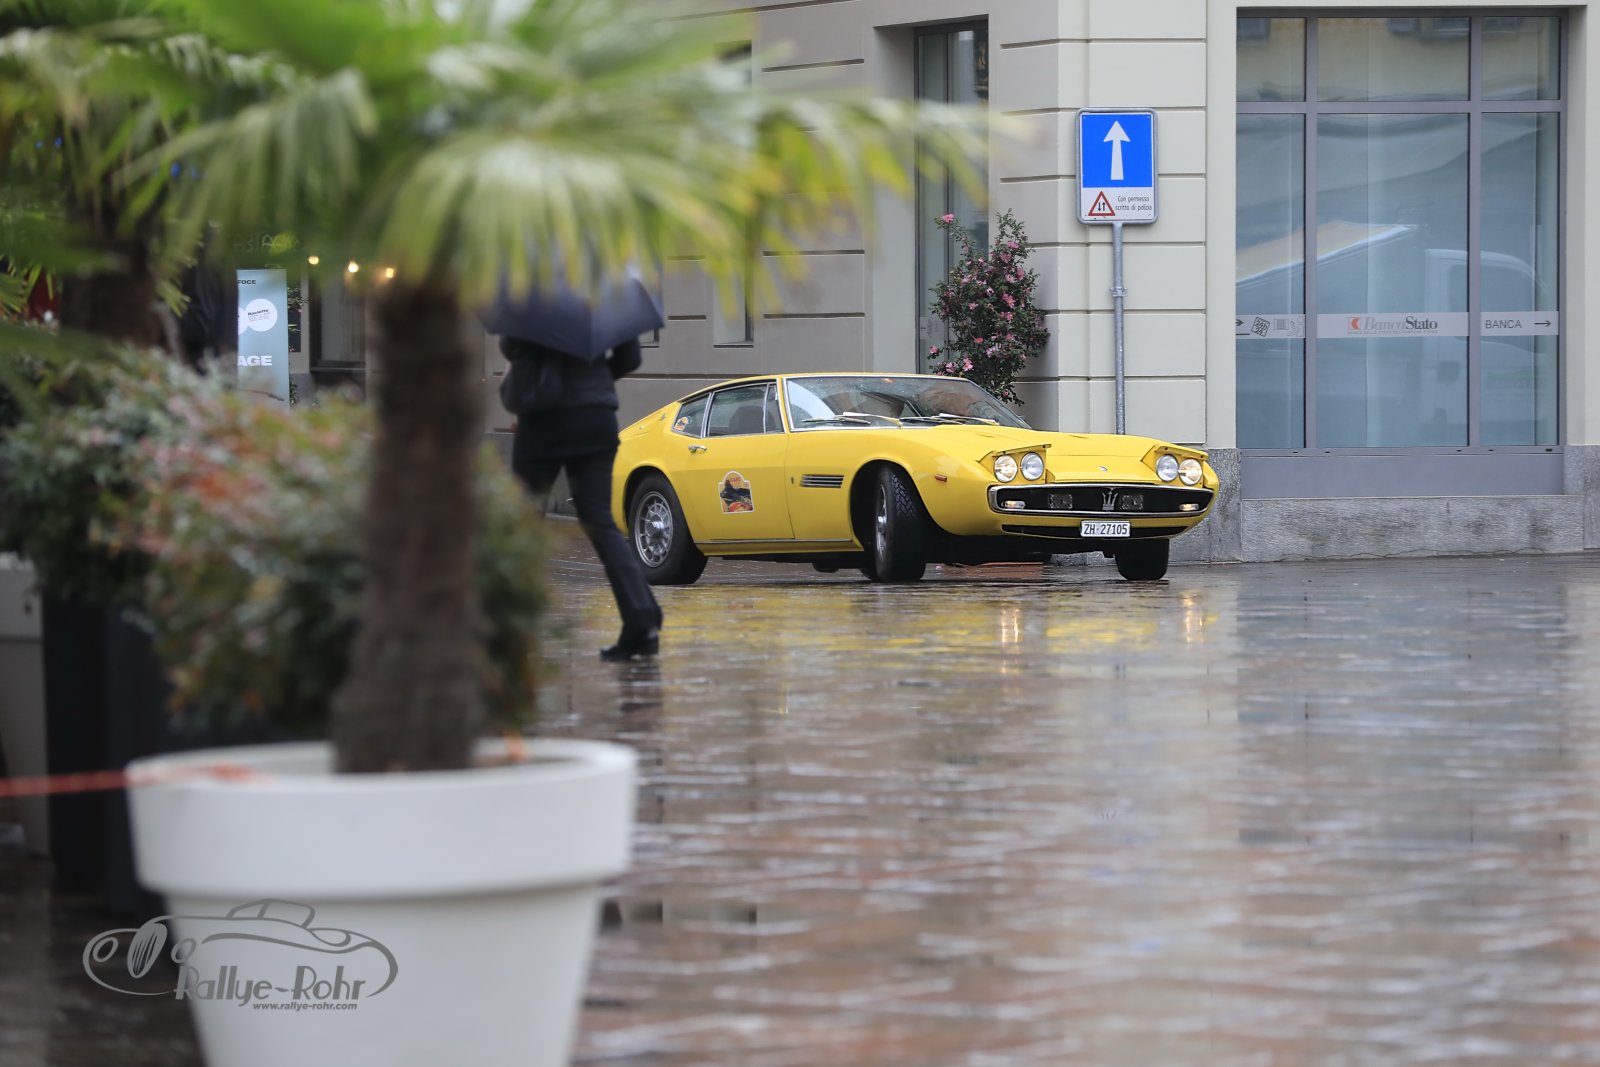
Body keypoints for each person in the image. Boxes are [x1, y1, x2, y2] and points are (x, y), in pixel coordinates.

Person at [504, 334, 662, 661]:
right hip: (595, 416)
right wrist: (595, 381)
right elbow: (630, 357)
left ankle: (511, 630)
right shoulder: (602, 301)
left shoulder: (533, 302)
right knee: (601, 523)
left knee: (523, 521)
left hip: (542, 416)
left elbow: (511, 345)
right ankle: (642, 622)